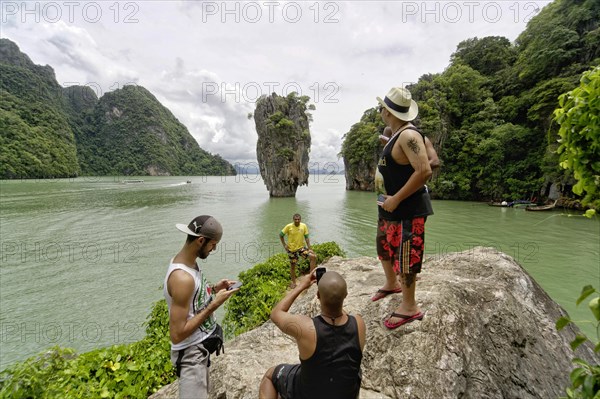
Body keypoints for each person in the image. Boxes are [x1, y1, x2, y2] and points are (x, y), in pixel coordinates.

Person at [372, 87, 434, 329]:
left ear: (388, 112)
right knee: (384, 246)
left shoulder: (409, 136)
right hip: (388, 209)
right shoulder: (397, 135)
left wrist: (396, 198)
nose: (380, 112)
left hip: (406, 209)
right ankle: (391, 284)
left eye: (381, 108)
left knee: (407, 255)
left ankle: (409, 307)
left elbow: (425, 171)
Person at [258, 270, 366, 399]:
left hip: (308, 393)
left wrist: (302, 285)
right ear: (346, 295)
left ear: (318, 295)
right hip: (346, 393)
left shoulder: (307, 328)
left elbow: (276, 314)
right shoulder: (359, 323)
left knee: (270, 375)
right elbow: (340, 312)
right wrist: (333, 296)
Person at [164, 215, 239, 398]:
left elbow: (193, 299)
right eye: (213, 244)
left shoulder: (189, 263)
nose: (214, 249)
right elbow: (177, 334)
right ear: (200, 240)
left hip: (200, 349)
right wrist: (214, 305)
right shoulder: (182, 278)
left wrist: (213, 288)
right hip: (191, 355)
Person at [279, 213, 316, 288]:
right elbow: (281, 235)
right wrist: (284, 245)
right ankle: (293, 282)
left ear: (300, 219)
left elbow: (307, 238)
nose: (297, 221)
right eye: (295, 219)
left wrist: (310, 249)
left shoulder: (303, 226)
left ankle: (311, 277)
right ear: (293, 220)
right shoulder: (289, 226)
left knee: (313, 257)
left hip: (301, 248)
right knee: (293, 266)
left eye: (298, 219)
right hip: (291, 250)